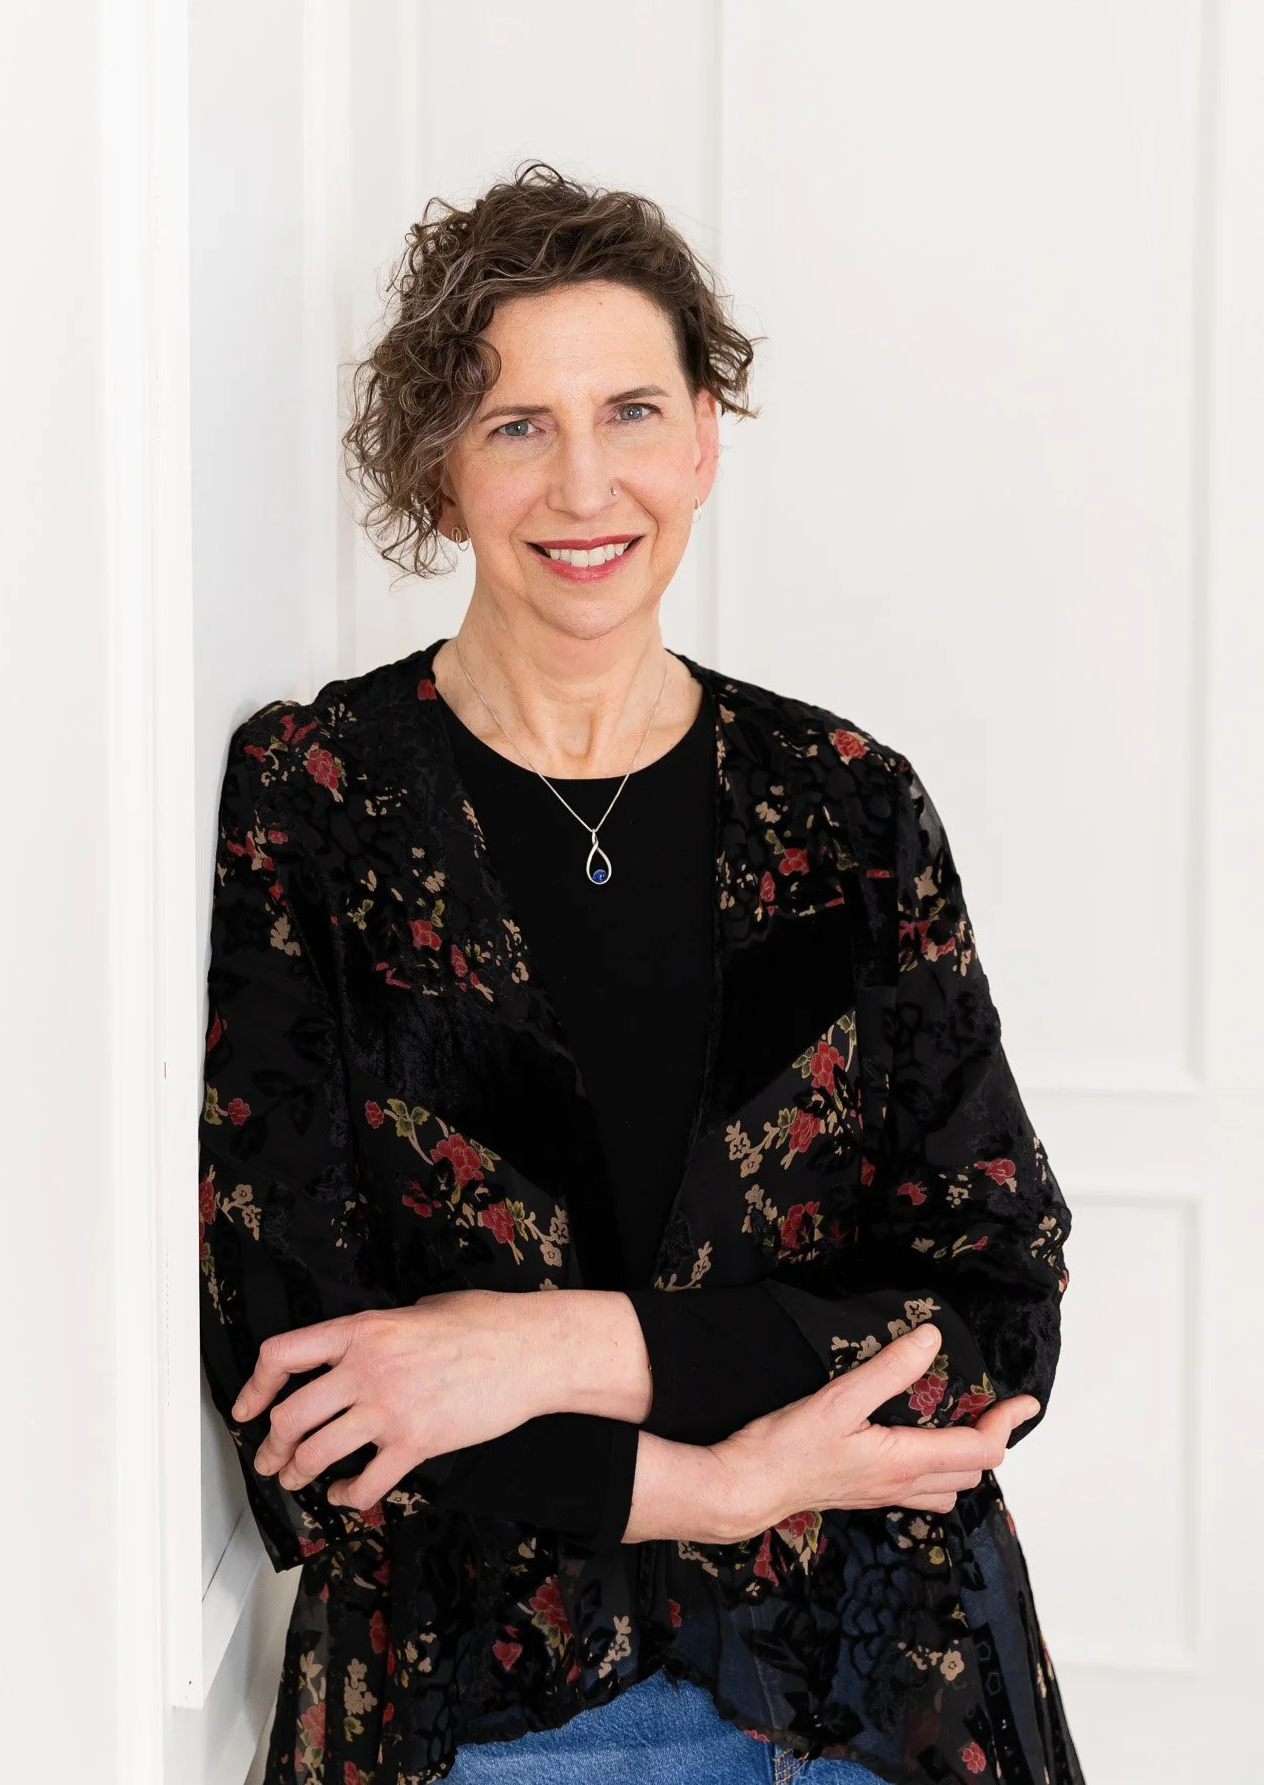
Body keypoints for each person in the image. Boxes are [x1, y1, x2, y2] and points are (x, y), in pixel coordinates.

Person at [198, 162, 1084, 1785]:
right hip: (491, 1720)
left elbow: (998, 1308)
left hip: (886, 1696)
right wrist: (718, 1487)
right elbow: (308, 1383)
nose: (582, 485)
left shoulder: (850, 804)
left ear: (703, 440)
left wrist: (542, 1351)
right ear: (440, 464)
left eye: (629, 413)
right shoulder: (317, 799)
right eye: (516, 424)